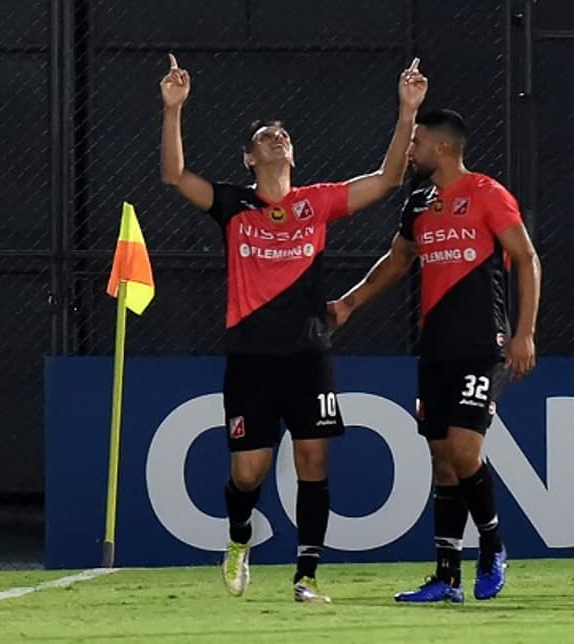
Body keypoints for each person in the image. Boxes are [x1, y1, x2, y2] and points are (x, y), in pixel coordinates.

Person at [159, 53, 427, 602]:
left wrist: (407, 111)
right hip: (251, 358)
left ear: (293, 153)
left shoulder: (316, 203)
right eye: (265, 137)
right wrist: (173, 109)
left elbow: (387, 180)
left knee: (313, 460)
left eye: (282, 135)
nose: (276, 139)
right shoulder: (233, 204)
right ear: (249, 157)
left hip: (308, 354)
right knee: (249, 472)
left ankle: (306, 575)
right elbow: (174, 176)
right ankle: (239, 538)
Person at [328, 109, 541, 603]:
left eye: (417, 142)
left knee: (465, 450)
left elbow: (527, 258)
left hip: (481, 345)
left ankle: (493, 546)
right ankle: (447, 577)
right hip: (436, 348)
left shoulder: (487, 193)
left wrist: (524, 333)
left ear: (443, 147)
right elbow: (398, 260)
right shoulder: (419, 202)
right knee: (443, 460)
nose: (410, 151)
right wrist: (349, 303)